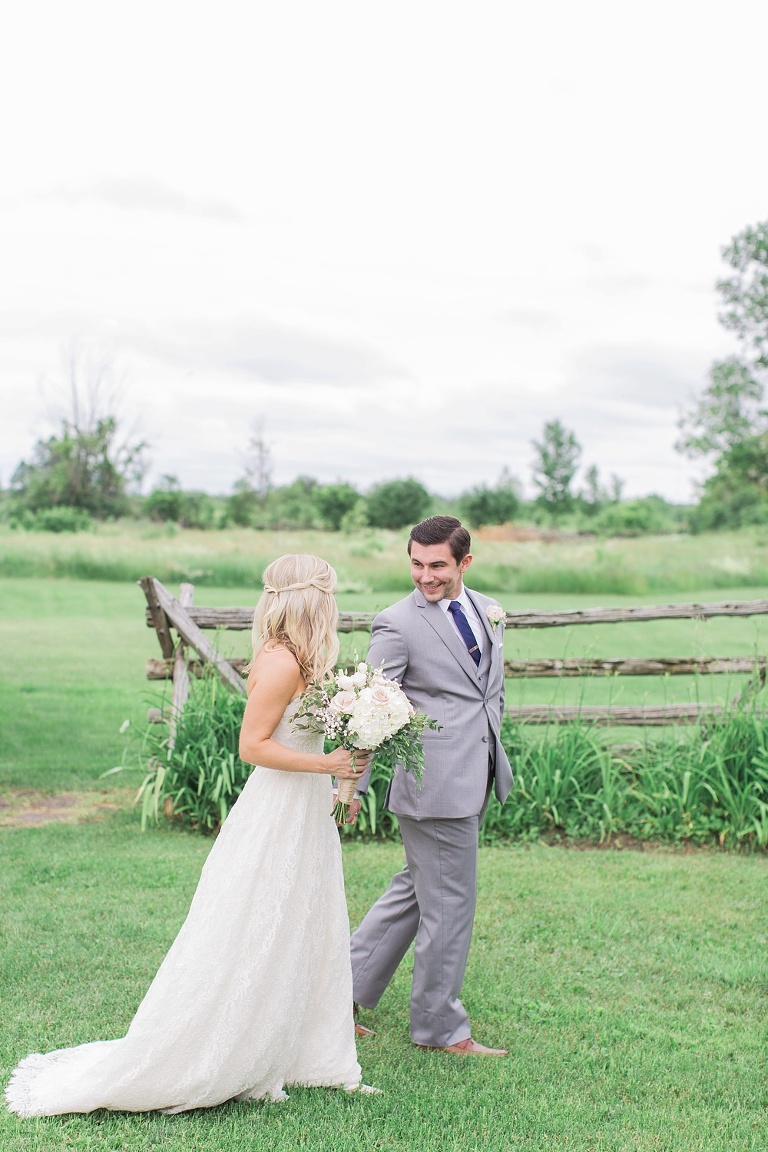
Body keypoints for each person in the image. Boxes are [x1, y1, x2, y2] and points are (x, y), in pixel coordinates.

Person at [6, 554, 374, 1116]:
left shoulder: (305, 658)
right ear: (312, 600)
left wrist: (337, 786)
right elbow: (252, 747)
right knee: (259, 923)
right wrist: (328, 769)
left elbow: (306, 743)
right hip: (276, 810)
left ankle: (308, 1050)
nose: (333, 606)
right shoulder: (281, 662)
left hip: (303, 807)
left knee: (307, 920)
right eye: (329, 596)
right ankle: (223, 1047)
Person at [350, 516, 513, 1056]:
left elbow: (487, 693)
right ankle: (439, 1029)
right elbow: (369, 710)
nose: (425, 576)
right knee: (449, 904)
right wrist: (349, 784)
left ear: (464, 563)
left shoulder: (486, 609)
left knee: (418, 892)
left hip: (477, 772)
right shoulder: (397, 624)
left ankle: (338, 993)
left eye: (437, 565)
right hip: (434, 785)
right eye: (417, 564)